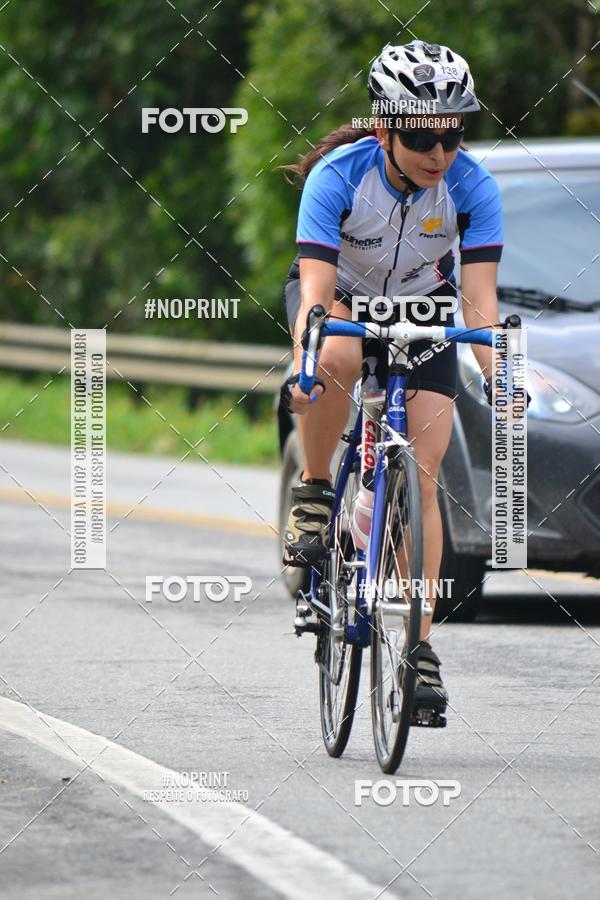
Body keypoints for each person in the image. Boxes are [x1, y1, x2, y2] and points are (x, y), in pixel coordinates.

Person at [280, 40, 503, 715]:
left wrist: (502, 377)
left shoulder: (473, 186)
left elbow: (480, 303)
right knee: (337, 359)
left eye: (452, 136)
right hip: (343, 299)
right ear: (384, 132)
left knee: (423, 473)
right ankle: (316, 491)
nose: (440, 153)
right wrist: (307, 362)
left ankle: (419, 648)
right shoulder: (338, 177)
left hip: (423, 311)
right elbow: (316, 295)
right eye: (422, 138)